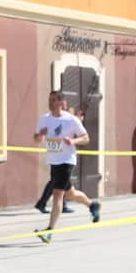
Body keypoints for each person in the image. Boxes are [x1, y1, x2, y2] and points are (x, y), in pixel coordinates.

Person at [33, 91, 99, 243]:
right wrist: (40, 135)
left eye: (54, 100)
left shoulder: (71, 120)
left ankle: (49, 231)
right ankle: (92, 205)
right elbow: (35, 139)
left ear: (62, 103)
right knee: (71, 194)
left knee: (58, 195)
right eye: (49, 100)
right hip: (53, 161)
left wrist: (73, 142)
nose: (50, 103)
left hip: (67, 161)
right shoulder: (44, 119)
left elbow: (86, 138)